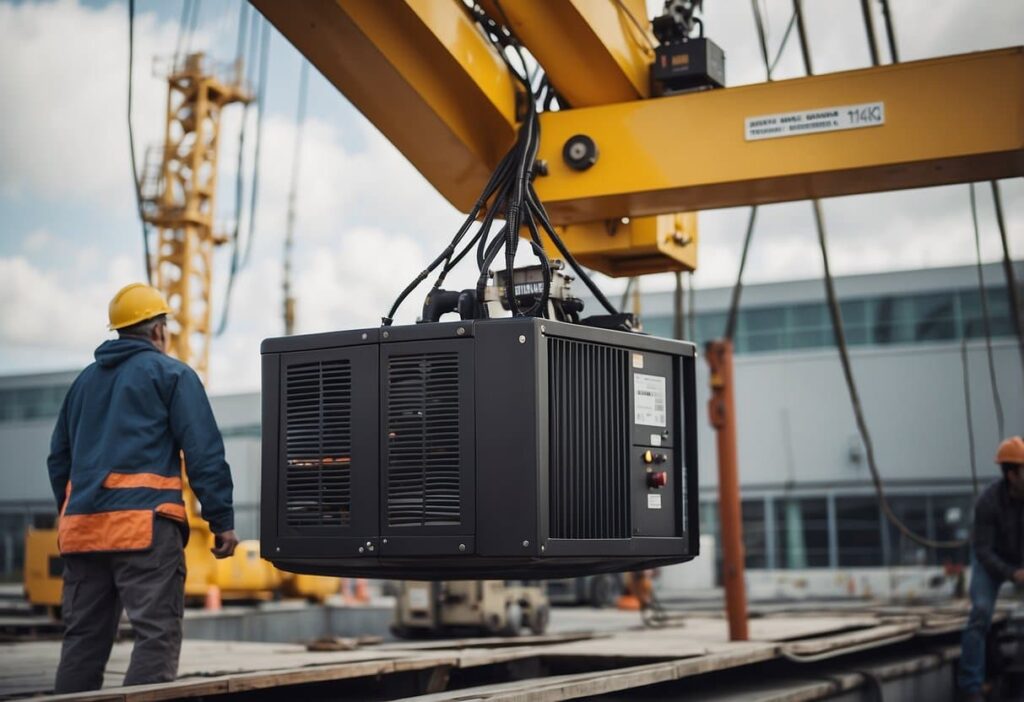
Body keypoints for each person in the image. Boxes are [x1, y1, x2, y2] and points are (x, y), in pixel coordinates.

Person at [47, 283, 238, 693]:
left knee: (83, 640)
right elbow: (203, 451)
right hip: (145, 531)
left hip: (82, 533)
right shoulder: (172, 375)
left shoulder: (82, 384)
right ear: (158, 331)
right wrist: (221, 519)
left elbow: (58, 460)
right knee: (156, 635)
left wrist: (76, 508)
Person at [959, 436, 1024, 701]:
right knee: (980, 612)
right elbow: (983, 550)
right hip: (993, 560)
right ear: (1012, 475)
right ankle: (971, 687)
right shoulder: (988, 502)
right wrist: (1012, 573)